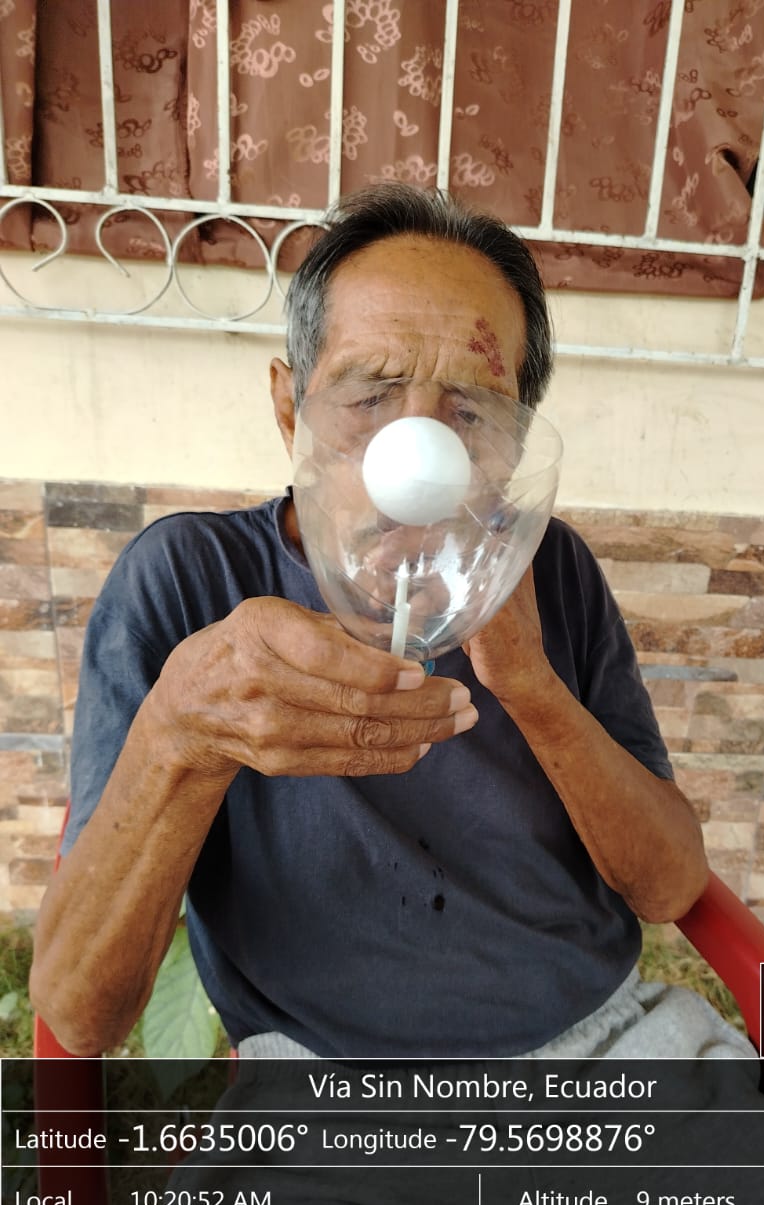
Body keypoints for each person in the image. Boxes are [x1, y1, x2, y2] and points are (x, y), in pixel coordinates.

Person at [30, 183, 712, 1061]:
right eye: (370, 396)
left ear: (515, 443)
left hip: (602, 1048)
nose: (418, 461)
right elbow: (80, 1015)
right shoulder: (189, 581)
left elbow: (669, 887)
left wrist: (534, 688)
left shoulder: (553, 570)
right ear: (290, 410)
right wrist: (183, 735)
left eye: (471, 411)